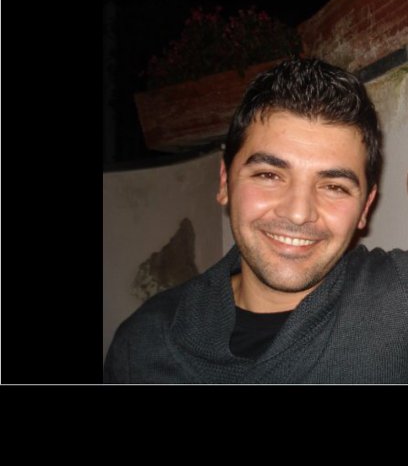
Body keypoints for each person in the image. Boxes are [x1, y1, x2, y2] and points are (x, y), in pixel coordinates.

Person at [104, 57, 408, 384]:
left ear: (365, 207)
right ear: (225, 183)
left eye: (334, 186)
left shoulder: (398, 303)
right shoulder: (143, 345)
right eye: (269, 175)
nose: (298, 213)